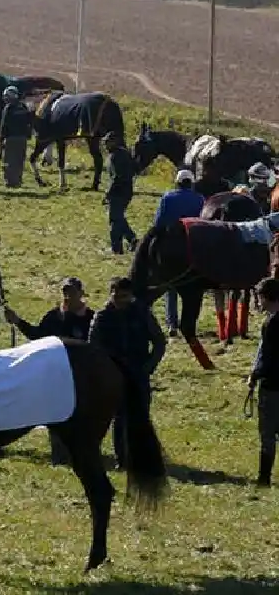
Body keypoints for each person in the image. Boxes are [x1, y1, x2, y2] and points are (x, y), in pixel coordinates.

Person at [3, 277, 94, 465]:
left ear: (81, 294)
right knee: (58, 414)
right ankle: (60, 455)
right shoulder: (53, 317)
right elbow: (37, 337)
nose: (68, 296)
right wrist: (18, 321)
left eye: (72, 292)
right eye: (65, 292)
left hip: (83, 377)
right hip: (58, 376)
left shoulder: (91, 318)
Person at [88, 277, 166, 469]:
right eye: (117, 296)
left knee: (140, 416)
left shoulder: (141, 313)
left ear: (131, 295)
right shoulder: (102, 317)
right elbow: (93, 349)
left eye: (124, 296)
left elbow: (159, 342)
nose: (120, 300)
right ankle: (122, 459)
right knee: (120, 418)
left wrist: (148, 367)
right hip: (114, 375)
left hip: (138, 373)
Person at [151, 169, 205, 337]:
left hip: (171, 246)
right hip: (193, 247)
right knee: (192, 287)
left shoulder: (168, 197)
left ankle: (172, 323)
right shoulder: (200, 199)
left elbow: (158, 223)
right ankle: (188, 322)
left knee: (171, 285)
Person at [247, 278, 279, 486]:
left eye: (259, 297)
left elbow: (267, 357)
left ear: (266, 297)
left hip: (272, 386)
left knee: (267, 434)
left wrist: (254, 376)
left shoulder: (271, 324)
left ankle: (264, 478)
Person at [104, 132, 138, 255]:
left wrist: (108, 192)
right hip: (127, 190)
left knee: (114, 219)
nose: (105, 145)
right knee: (118, 217)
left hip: (118, 191)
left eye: (107, 142)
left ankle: (116, 248)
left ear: (114, 142)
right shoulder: (125, 153)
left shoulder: (114, 156)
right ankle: (132, 239)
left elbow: (116, 177)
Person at [0, 86, 32, 188]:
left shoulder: (8, 108)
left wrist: (1, 137)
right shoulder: (24, 107)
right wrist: (28, 135)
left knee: (9, 160)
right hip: (22, 138)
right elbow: (29, 122)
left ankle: (10, 181)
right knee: (20, 160)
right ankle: (18, 180)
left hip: (11, 138)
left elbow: (4, 124)